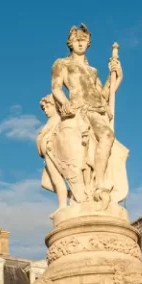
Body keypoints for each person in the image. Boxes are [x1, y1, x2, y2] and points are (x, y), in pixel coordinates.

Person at [50, 24, 122, 203]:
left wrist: (117, 76)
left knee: (107, 135)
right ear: (70, 43)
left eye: (84, 40)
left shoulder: (93, 71)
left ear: (88, 43)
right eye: (77, 40)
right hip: (79, 109)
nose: (80, 43)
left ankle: (100, 183)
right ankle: (89, 187)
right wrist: (65, 102)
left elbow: (104, 94)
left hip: (97, 109)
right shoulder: (62, 63)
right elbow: (56, 88)